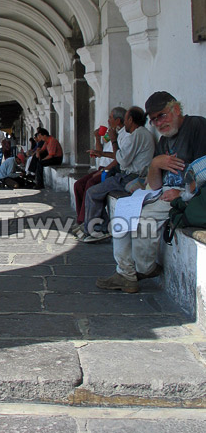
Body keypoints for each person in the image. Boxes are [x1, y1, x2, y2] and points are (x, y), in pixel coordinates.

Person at [97, 92, 206, 293]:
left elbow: (203, 172)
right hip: (163, 193)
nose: (158, 123)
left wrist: (182, 195)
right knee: (122, 211)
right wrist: (156, 164)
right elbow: (155, 185)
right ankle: (125, 273)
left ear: (176, 109)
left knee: (144, 219)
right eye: (153, 119)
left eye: (162, 115)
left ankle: (144, 269)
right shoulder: (165, 140)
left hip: (189, 196)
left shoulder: (196, 127)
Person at [79, 106, 155, 242]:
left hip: (131, 177)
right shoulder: (139, 134)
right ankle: (98, 226)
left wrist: (113, 140)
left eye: (126, 119)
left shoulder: (138, 134)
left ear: (131, 120)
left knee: (93, 192)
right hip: (128, 175)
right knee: (95, 190)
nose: (124, 123)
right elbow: (122, 157)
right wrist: (102, 151)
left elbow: (122, 160)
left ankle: (99, 229)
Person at [73, 107, 126, 232]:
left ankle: (90, 222)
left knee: (91, 185)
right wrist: (97, 138)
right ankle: (82, 220)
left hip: (112, 169)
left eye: (111, 118)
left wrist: (103, 171)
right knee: (78, 185)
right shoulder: (111, 133)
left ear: (118, 120)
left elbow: (120, 158)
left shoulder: (124, 136)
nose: (108, 120)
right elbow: (101, 151)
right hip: (103, 167)